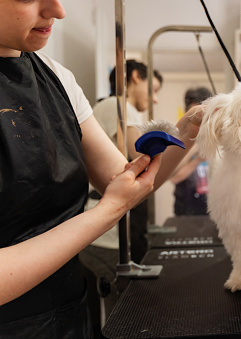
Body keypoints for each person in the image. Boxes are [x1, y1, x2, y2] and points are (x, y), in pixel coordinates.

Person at [0, 1, 201, 337]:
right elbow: (115, 200)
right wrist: (106, 212)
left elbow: (127, 181)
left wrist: (190, 130)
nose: (58, 11)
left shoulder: (58, 78)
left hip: (69, 313)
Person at [79, 60, 164, 336]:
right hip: (105, 236)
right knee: (121, 320)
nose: (155, 98)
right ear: (136, 77)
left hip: (103, 230)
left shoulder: (108, 108)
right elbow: (142, 156)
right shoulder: (119, 105)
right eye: (153, 89)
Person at [171, 87, 213, 216]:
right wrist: (196, 159)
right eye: (193, 115)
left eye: (201, 115)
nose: (197, 120)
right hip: (185, 209)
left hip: (212, 208)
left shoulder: (217, 138)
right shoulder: (179, 139)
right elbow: (174, 178)